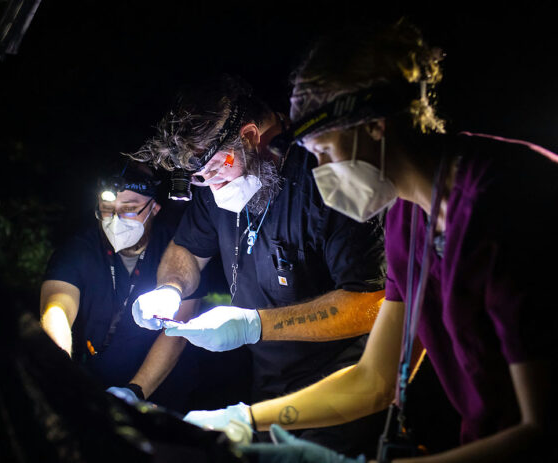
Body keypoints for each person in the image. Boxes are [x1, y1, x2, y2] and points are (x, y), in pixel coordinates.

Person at [238, 20, 556, 462]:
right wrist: (246, 419)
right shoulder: (406, 217)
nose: (321, 173)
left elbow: (542, 430)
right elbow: (374, 379)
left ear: (373, 124)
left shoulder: (509, 200)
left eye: (326, 152)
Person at [127, 75, 388, 457]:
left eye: (214, 170)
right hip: (266, 389)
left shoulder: (325, 178)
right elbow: (185, 249)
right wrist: (169, 289)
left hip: (343, 391)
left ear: (249, 135)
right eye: (198, 179)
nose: (211, 187)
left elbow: (371, 303)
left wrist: (256, 324)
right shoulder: (213, 189)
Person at [39, 161, 203, 411]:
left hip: (164, 394)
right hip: (94, 388)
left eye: (129, 209)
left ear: (154, 208)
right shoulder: (79, 248)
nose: (116, 220)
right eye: (107, 209)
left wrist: (135, 391)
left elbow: (180, 330)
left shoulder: (177, 247)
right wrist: (60, 372)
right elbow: (56, 310)